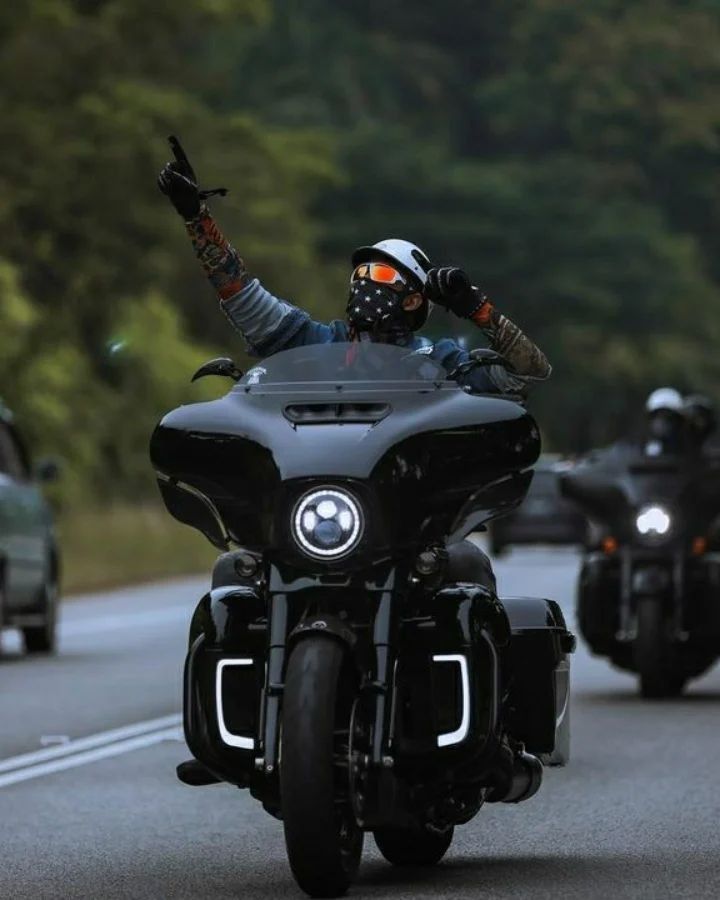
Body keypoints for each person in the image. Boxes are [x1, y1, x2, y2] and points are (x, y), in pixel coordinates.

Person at [158, 146, 551, 785]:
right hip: (318, 512)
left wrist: (479, 309)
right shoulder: (310, 345)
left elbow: (531, 373)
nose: (370, 285)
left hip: (403, 525)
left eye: (391, 279)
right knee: (232, 573)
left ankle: (495, 741)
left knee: (472, 568)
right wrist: (195, 217)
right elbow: (239, 293)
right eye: (364, 272)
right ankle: (228, 734)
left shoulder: (446, 357)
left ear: (420, 301)